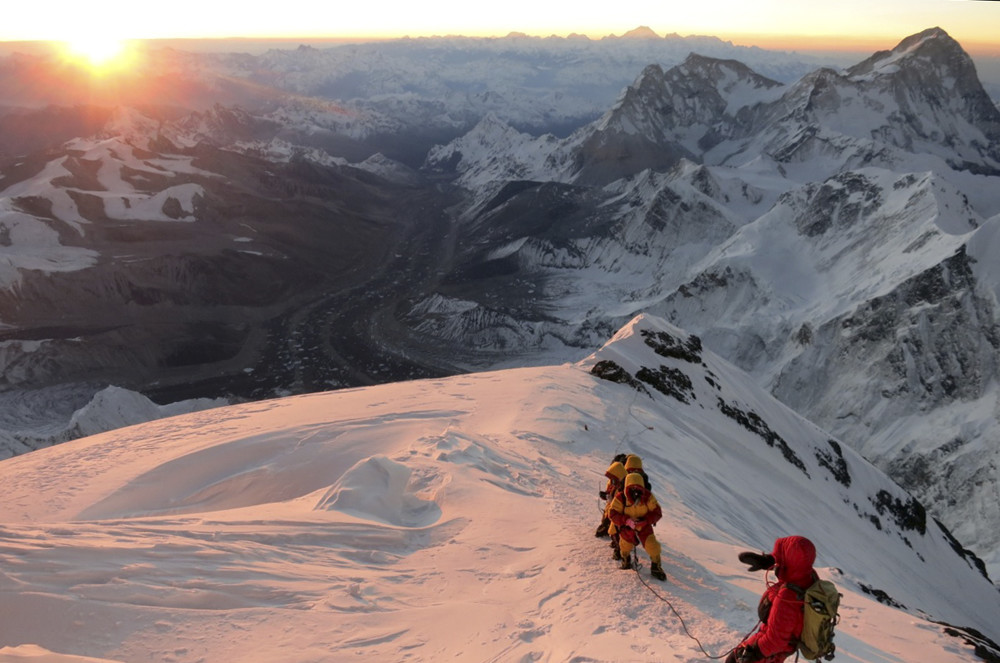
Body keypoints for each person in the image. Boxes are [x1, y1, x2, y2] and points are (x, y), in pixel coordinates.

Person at [726, 535, 818, 663]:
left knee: (732, 660)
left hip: (769, 651)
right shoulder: (808, 577)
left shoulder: (788, 596)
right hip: (783, 647)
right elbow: (797, 561)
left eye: (782, 555)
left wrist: (753, 655)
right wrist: (770, 560)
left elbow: (776, 640)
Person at [608, 471, 666, 581]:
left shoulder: (648, 497)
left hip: (644, 526)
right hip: (627, 527)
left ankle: (656, 567)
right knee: (625, 545)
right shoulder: (621, 498)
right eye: (632, 488)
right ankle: (626, 559)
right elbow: (613, 514)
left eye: (638, 488)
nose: (635, 491)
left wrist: (645, 520)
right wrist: (626, 520)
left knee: (652, 545)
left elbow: (657, 512)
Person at [595, 459, 627, 538]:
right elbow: (612, 500)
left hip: (618, 520)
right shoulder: (617, 486)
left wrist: (607, 522)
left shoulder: (624, 489)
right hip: (612, 517)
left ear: (619, 477)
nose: (611, 482)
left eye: (613, 479)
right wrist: (606, 495)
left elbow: (618, 506)